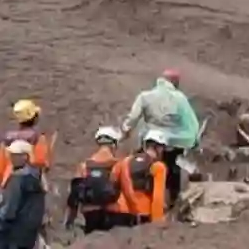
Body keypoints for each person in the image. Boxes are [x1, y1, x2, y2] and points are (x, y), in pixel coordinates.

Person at [121, 69, 199, 208]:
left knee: (143, 167)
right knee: (173, 169)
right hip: (172, 142)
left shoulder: (145, 96)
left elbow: (132, 118)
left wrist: (125, 131)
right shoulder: (179, 98)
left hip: (149, 140)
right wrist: (193, 140)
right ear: (175, 82)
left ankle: (144, 199)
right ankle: (173, 201)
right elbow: (191, 122)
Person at [65, 126, 127, 234]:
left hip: (89, 213)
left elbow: (74, 195)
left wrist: (70, 220)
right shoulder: (119, 165)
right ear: (114, 144)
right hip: (113, 212)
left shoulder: (85, 166)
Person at [0, 141, 45, 249]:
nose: (11, 157)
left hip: (13, 233)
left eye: (14, 155)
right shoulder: (35, 176)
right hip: (28, 232)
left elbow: (9, 210)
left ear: (25, 156)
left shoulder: (18, 178)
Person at [117, 130, 169, 225]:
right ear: (159, 148)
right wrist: (157, 221)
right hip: (142, 212)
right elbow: (158, 197)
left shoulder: (127, 160)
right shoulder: (158, 166)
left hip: (121, 210)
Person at [0, 101, 50, 181]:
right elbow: (40, 162)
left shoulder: (7, 137)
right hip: (31, 182)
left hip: (9, 181)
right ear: (35, 118)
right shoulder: (39, 137)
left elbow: (1, 166)